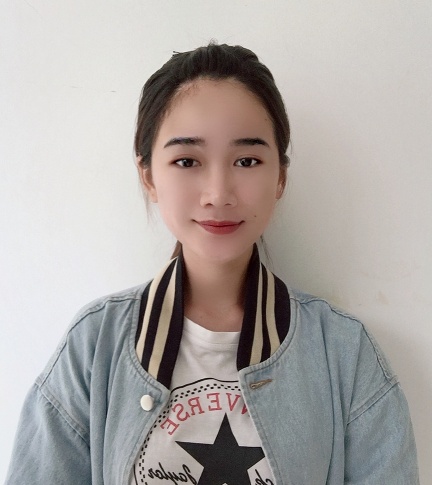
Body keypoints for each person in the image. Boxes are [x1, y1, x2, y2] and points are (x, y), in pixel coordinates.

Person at [6, 43, 419, 485]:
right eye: (187, 160)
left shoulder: (343, 353)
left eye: (247, 160)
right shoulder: (94, 345)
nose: (218, 193)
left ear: (280, 176)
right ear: (149, 176)